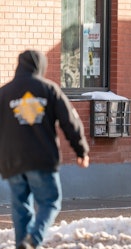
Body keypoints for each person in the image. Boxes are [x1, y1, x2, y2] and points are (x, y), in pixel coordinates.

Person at [0, 50, 90, 249]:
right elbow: (70, 122)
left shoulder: (4, 93)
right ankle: (34, 239)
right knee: (50, 202)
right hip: (42, 158)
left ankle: (23, 244)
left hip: (12, 160)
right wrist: (81, 151)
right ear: (40, 66)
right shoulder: (49, 89)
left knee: (20, 208)